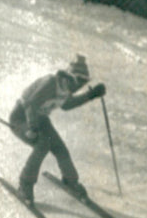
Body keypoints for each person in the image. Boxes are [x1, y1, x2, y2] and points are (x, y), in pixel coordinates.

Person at [8, 54, 107, 203]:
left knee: (60, 148)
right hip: (21, 118)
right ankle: (25, 185)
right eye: (79, 82)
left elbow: (66, 105)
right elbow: (30, 104)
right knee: (42, 145)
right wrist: (33, 128)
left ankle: (70, 181)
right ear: (70, 77)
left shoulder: (65, 87)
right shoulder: (50, 83)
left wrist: (90, 95)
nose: (80, 86)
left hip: (40, 119)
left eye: (83, 83)